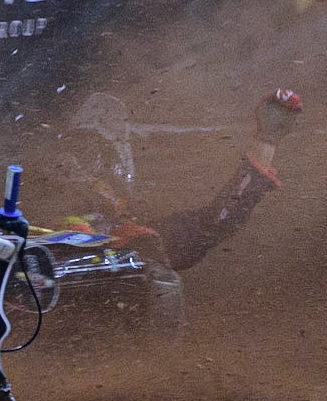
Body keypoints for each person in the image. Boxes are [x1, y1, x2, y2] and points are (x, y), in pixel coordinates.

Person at [57, 88, 302, 271]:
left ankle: (264, 148)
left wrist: (266, 144)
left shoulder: (116, 157)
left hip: (125, 240)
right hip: (101, 243)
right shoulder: (73, 158)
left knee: (210, 224)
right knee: (209, 224)